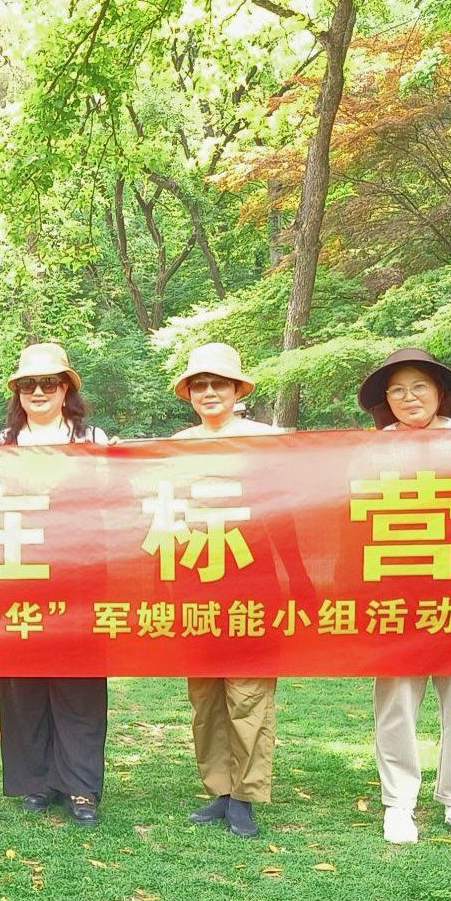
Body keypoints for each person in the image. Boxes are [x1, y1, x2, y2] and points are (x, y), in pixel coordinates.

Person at [357, 347, 451, 844]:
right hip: (397, 586)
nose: (408, 397)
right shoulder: (375, 448)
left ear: (439, 392)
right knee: (396, 697)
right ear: (386, 400)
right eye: (397, 390)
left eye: (418, 387)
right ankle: (398, 803)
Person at [167, 342, 284, 838]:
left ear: (237, 390)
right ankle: (219, 787)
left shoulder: (269, 441)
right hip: (196, 578)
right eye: (200, 385)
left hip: (251, 579)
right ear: (190, 393)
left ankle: (245, 796)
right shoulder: (178, 445)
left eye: (219, 383)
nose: (210, 392)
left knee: (249, 692)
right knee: (206, 694)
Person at [0, 342, 112, 826]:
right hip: (17, 574)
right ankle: (37, 782)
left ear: (66, 389)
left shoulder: (94, 439)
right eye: (28, 385)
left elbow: (114, 498)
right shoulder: (1, 444)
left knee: (79, 681)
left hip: (79, 573)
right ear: (17, 393)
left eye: (48, 383)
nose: (38, 392)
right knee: (23, 682)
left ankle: (80, 787)